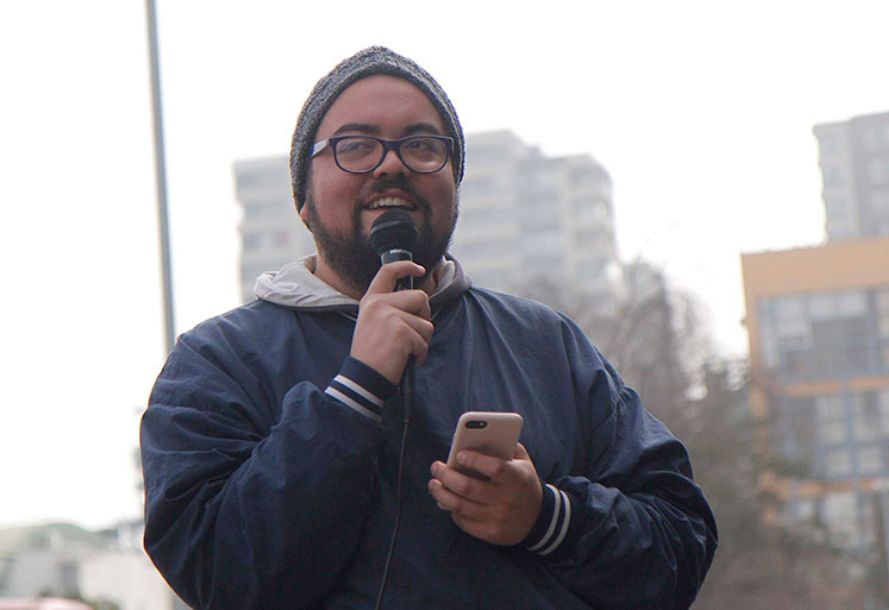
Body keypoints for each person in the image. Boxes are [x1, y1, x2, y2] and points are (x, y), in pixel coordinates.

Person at [141, 46, 718, 609]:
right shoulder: (219, 361)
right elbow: (216, 572)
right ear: (303, 199)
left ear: (455, 186)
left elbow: (681, 541)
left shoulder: (545, 345)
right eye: (355, 145)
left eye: (421, 145)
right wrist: (354, 391)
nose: (391, 164)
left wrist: (548, 518)